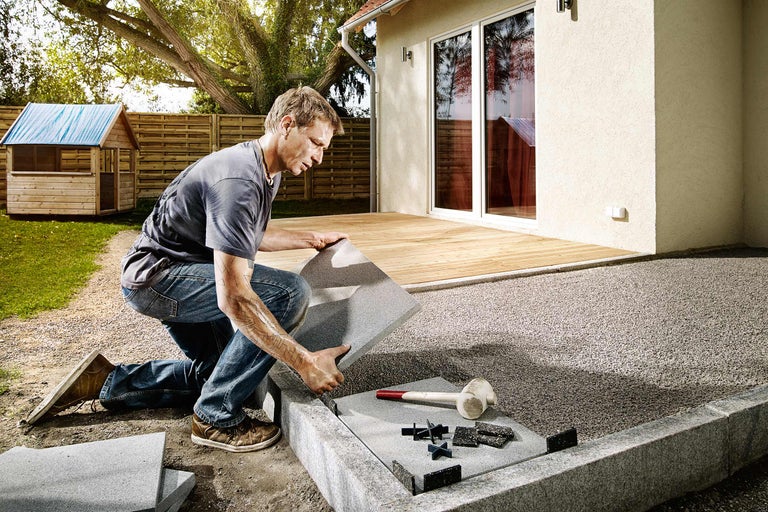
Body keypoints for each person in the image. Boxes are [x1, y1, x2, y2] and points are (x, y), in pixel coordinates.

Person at [27, 86, 351, 453]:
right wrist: (304, 362)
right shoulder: (240, 181)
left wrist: (310, 239)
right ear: (287, 125)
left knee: (223, 373)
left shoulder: (264, 170)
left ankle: (105, 382)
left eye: (323, 147)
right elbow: (234, 299)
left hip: (171, 271)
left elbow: (245, 233)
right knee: (290, 293)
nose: (320, 157)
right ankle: (214, 418)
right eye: (315, 143)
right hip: (159, 280)